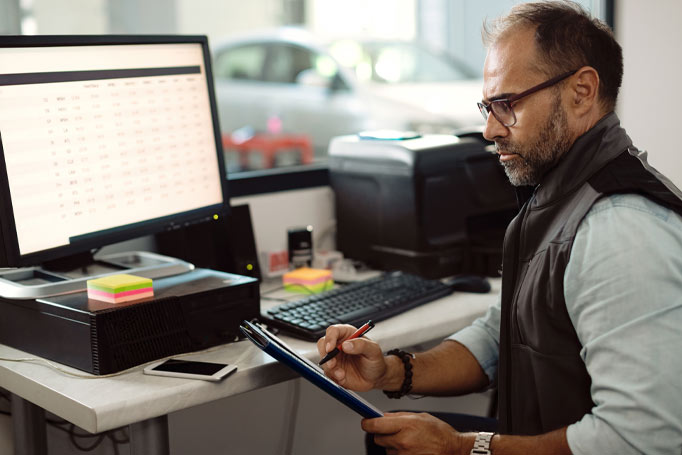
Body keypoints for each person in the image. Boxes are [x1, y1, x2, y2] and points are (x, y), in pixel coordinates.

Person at [317, 2, 682, 454]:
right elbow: (505, 333)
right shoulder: (559, 195)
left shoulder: (621, 230)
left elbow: (639, 440)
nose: (489, 130)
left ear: (582, 91)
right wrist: (392, 370)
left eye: (506, 105)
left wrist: (464, 447)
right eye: (487, 106)